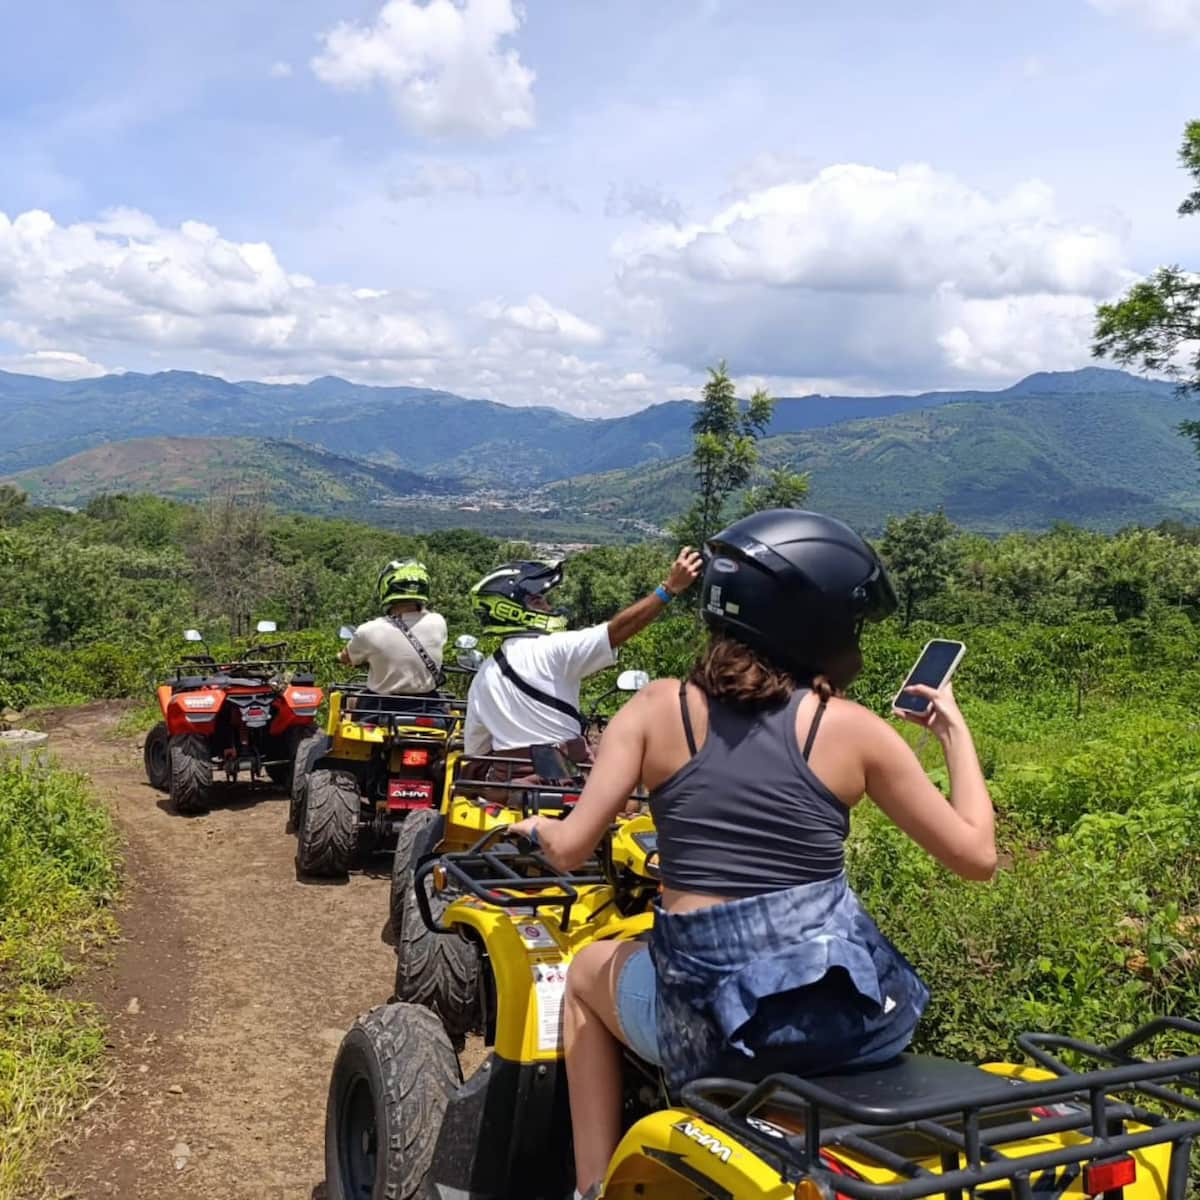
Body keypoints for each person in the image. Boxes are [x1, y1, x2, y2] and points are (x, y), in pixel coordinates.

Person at [508, 509, 996, 1200]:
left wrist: (535, 833)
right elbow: (977, 855)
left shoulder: (653, 709)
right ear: (818, 629)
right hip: (852, 1025)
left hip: (717, 1042)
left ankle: (592, 1184)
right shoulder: (855, 732)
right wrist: (954, 734)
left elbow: (570, 847)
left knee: (585, 972)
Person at [463, 549, 702, 765]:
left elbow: (475, 749)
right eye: (540, 599)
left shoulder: (483, 675)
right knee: (632, 783)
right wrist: (668, 589)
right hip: (566, 781)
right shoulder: (555, 649)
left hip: (508, 786)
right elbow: (617, 630)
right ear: (515, 610)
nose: (548, 606)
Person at [338, 559, 448, 695]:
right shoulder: (438, 622)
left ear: (386, 587)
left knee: (350, 702)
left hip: (381, 706)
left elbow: (346, 657)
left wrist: (340, 657)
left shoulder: (368, 631)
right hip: (428, 706)